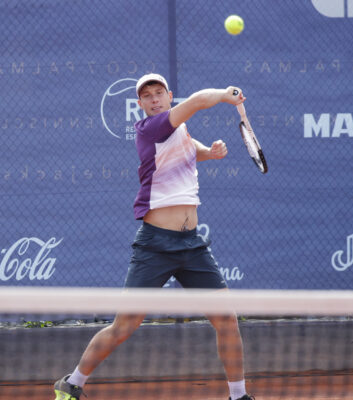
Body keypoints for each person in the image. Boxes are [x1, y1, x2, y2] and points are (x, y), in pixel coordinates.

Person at [53, 73, 253, 400]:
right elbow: (198, 101)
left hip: (192, 245)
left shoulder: (177, 130)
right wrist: (224, 94)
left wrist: (210, 152)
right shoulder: (151, 128)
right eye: (147, 96)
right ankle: (72, 384)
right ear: (140, 104)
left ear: (168, 94)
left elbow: (188, 148)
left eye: (159, 93)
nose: (154, 99)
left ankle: (238, 396)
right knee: (125, 326)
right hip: (155, 245)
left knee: (227, 318)